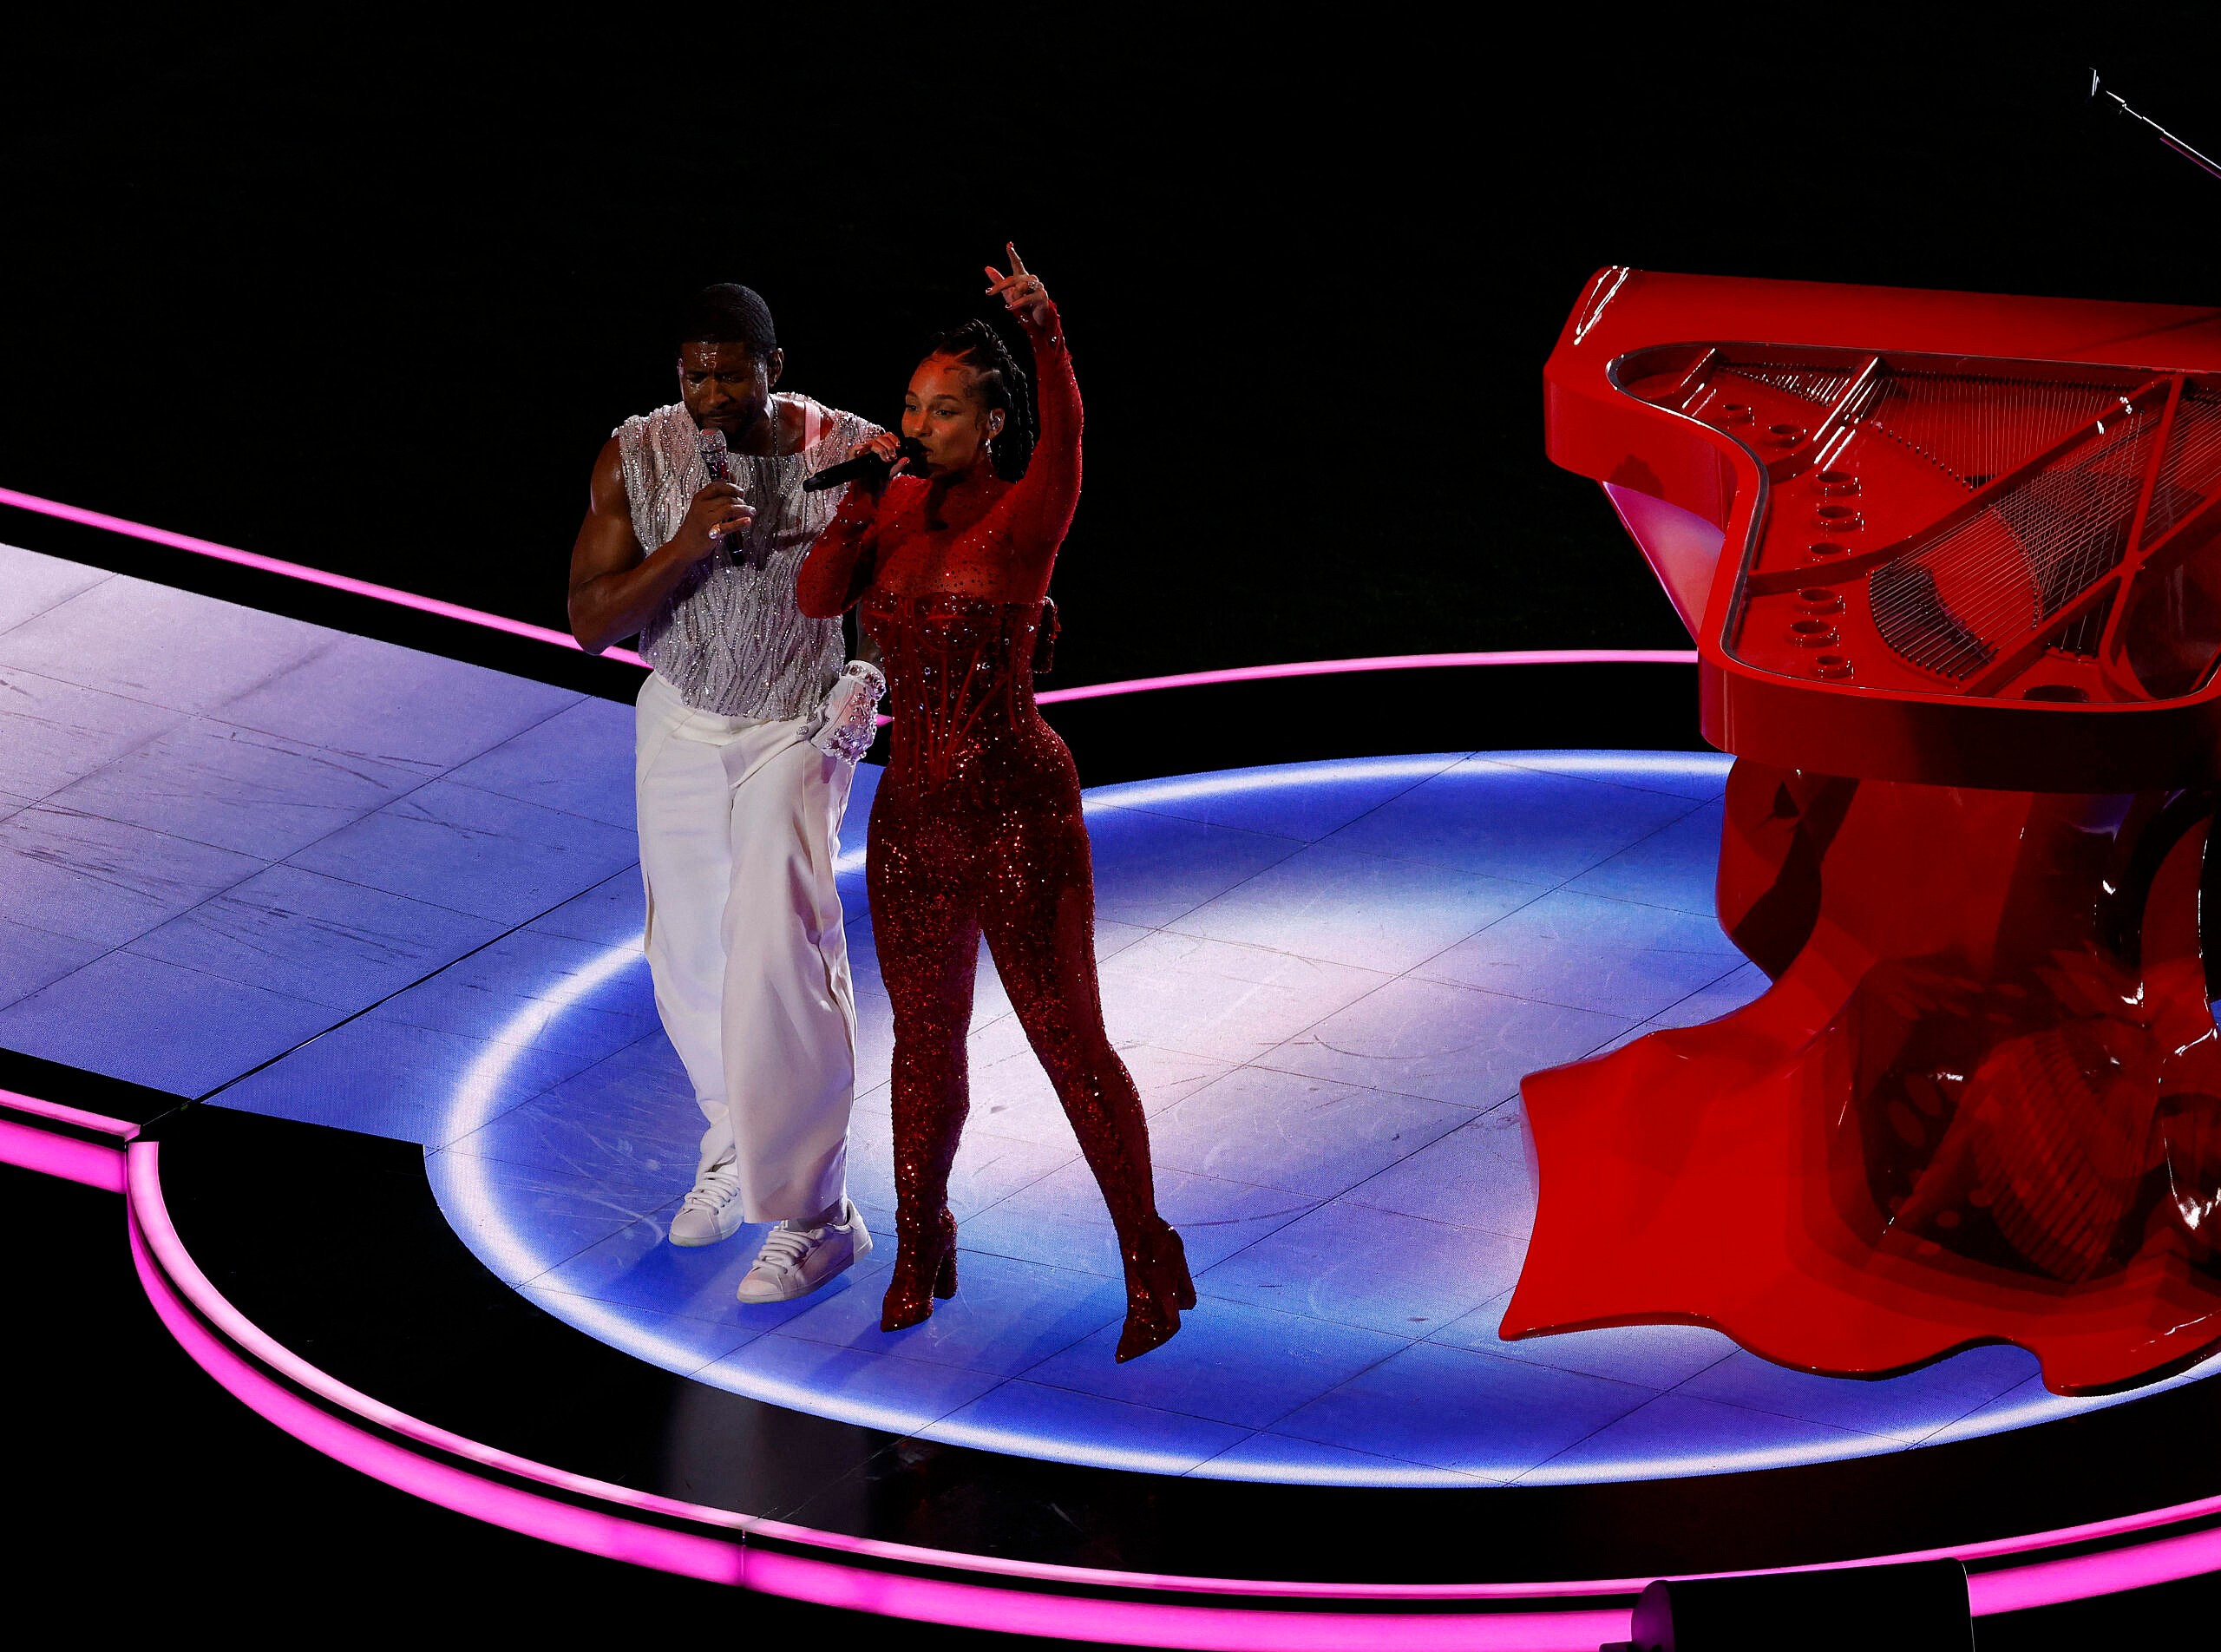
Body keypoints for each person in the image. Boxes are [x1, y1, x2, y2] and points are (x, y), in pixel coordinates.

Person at [798, 247, 1192, 1361]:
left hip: (1018, 808)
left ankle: (1144, 1248)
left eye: (943, 409)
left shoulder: (1027, 514)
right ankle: (921, 1240)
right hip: (911, 814)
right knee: (922, 1044)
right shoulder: (893, 507)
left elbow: (1071, 432)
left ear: (989, 427)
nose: (917, 422)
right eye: (912, 404)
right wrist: (858, 504)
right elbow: (817, 598)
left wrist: (1047, 332)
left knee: (1067, 1038)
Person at [567, 283, 881, 1304]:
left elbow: (904, 579)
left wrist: (865, 683)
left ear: (773, 365)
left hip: (799, 718)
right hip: (685, 713)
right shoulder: (639, 454)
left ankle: (819, 1214)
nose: (711, 394)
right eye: (695, 373)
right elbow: (588, 622)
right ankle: (736, 1143)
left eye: (731, 372)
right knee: (686, 952)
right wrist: (682, 547)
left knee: (776, 951)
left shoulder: (849, 451)